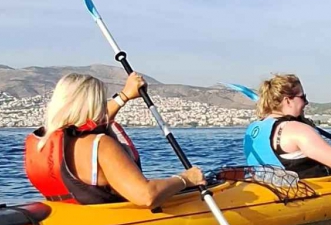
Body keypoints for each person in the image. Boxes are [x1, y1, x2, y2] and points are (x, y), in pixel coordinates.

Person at [25, 72, 204, 207]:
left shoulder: (42, 142)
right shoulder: (100, 144)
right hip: (107, 221)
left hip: (67, 216)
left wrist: (125, 95)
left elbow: (95, 120)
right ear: (93, 105)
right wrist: (186, 179)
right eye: (100, 101)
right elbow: (146, 196)